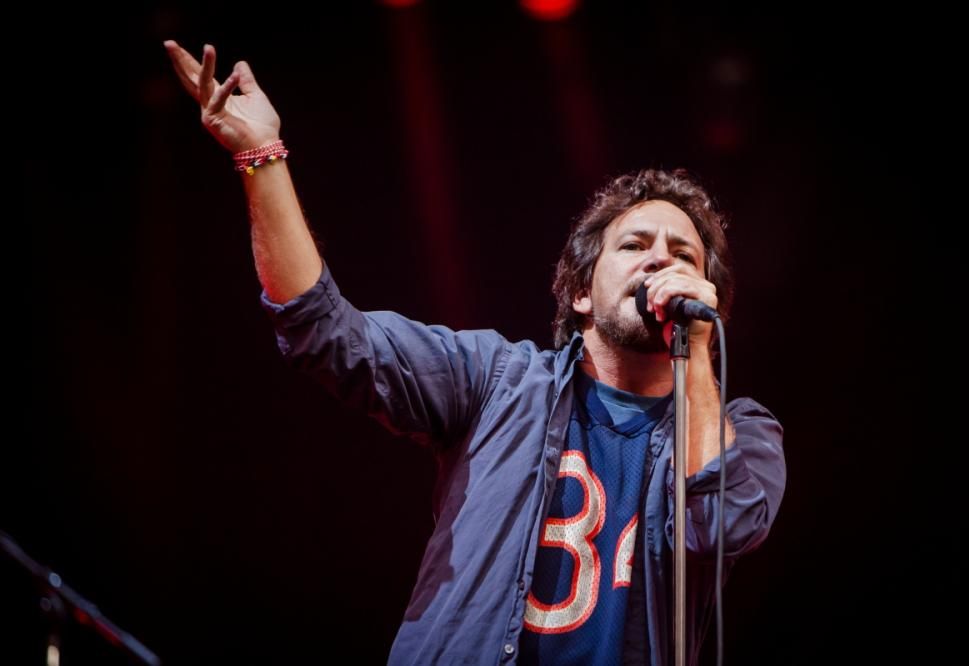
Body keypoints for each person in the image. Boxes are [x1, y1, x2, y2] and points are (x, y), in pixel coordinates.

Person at [163, 40, 786, 665]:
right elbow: (326, 332)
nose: (659, 261)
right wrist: (261, 157)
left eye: (682, 256)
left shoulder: (745, 433)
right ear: (580, 294)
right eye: (635, 245)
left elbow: (721, 528)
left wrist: (694, 349)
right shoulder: (498, 380)